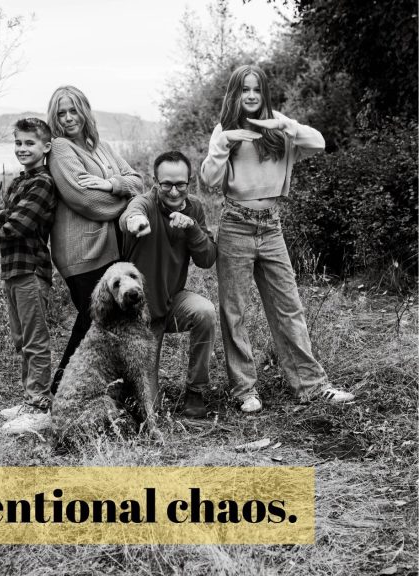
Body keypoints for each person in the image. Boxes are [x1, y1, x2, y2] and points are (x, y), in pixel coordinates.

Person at [200, 64, 355, 412]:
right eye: (244, 90)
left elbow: (319, 143)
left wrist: (288, 126)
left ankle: (312, 386)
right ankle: (244, 391)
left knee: (288, 307)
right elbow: (209, 179)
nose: (251, 95)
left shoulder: (279, 125)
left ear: (264, 93)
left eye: (256, 89)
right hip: (236, 223)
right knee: (233, 311)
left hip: (271, 226)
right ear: (234, 94)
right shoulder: (224, 130)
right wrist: (223, 144)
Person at [46, 85, 145, 393]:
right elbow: (86, 201)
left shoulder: (99, 146)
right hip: (81, 252)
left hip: (109, 250)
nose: (67, 118)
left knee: (104, 322)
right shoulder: (61, 149)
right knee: (93, 320)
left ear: (84, 111)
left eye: (73, 110)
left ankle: (100, 389)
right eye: (61, 112)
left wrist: (108, 183)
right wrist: (124, 203)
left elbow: (139, 181)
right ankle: (58, 393)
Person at [120, 151, 217, 418]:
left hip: (172, 301)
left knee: (205, 312)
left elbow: (207, 259)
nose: (174, 192)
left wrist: (192, 228)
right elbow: (131, 213)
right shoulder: (145, 204)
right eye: (166, 185)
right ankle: (132, 387)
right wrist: (135, 222)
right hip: (140, 314)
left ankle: (195, 391)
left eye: (181, 185)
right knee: (150, 411)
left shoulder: (194, 207)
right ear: (155, 181)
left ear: (190, 181)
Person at [0, 118, 58, 423]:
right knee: (21, 340)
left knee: (35, 340)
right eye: (18, 142)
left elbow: (15, 225)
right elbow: (3, 216)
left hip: (31, 270)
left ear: (46, 147)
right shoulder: (20, 181)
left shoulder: (42, 182)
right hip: (12, 271)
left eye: (29, 143)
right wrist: (4, 217)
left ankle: (39, 406)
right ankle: (29, 399)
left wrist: (0, 225)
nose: (22, 148)